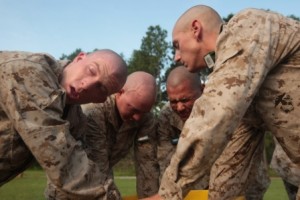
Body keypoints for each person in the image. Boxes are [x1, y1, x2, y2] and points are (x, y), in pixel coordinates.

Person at [144, 4, 300, 200]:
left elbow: (213, 116)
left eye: (176, 45)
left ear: (196, 29)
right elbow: (229, 170)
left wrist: (167, 194)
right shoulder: (241, 83)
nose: (176, 57)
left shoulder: (247, 26)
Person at [0, 49, 127, 199]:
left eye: (101, 87)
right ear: (79, 58)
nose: (86, 84)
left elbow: (80, 172)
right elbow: (63, 162)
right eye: (91, 70)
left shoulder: (75, 120)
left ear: (101, 99)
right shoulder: (29, 71)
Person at [157, 66, 269, 199]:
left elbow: (232, 159)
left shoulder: (225, 107)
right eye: (173, 102)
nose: (180, 107)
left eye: (185, 100)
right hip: (195, 184)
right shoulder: (166, 116)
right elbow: (166, 161)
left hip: (241, 176)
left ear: (202, 90)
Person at [46, 71, 159, 199]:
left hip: (100, 181)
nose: (138, 117)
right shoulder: (94, 111)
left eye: (144, 112)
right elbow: (98, 170)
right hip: (71, 187)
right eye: (134, 109)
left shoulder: (146, 119)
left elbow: (148, 165)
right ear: (120, 92)